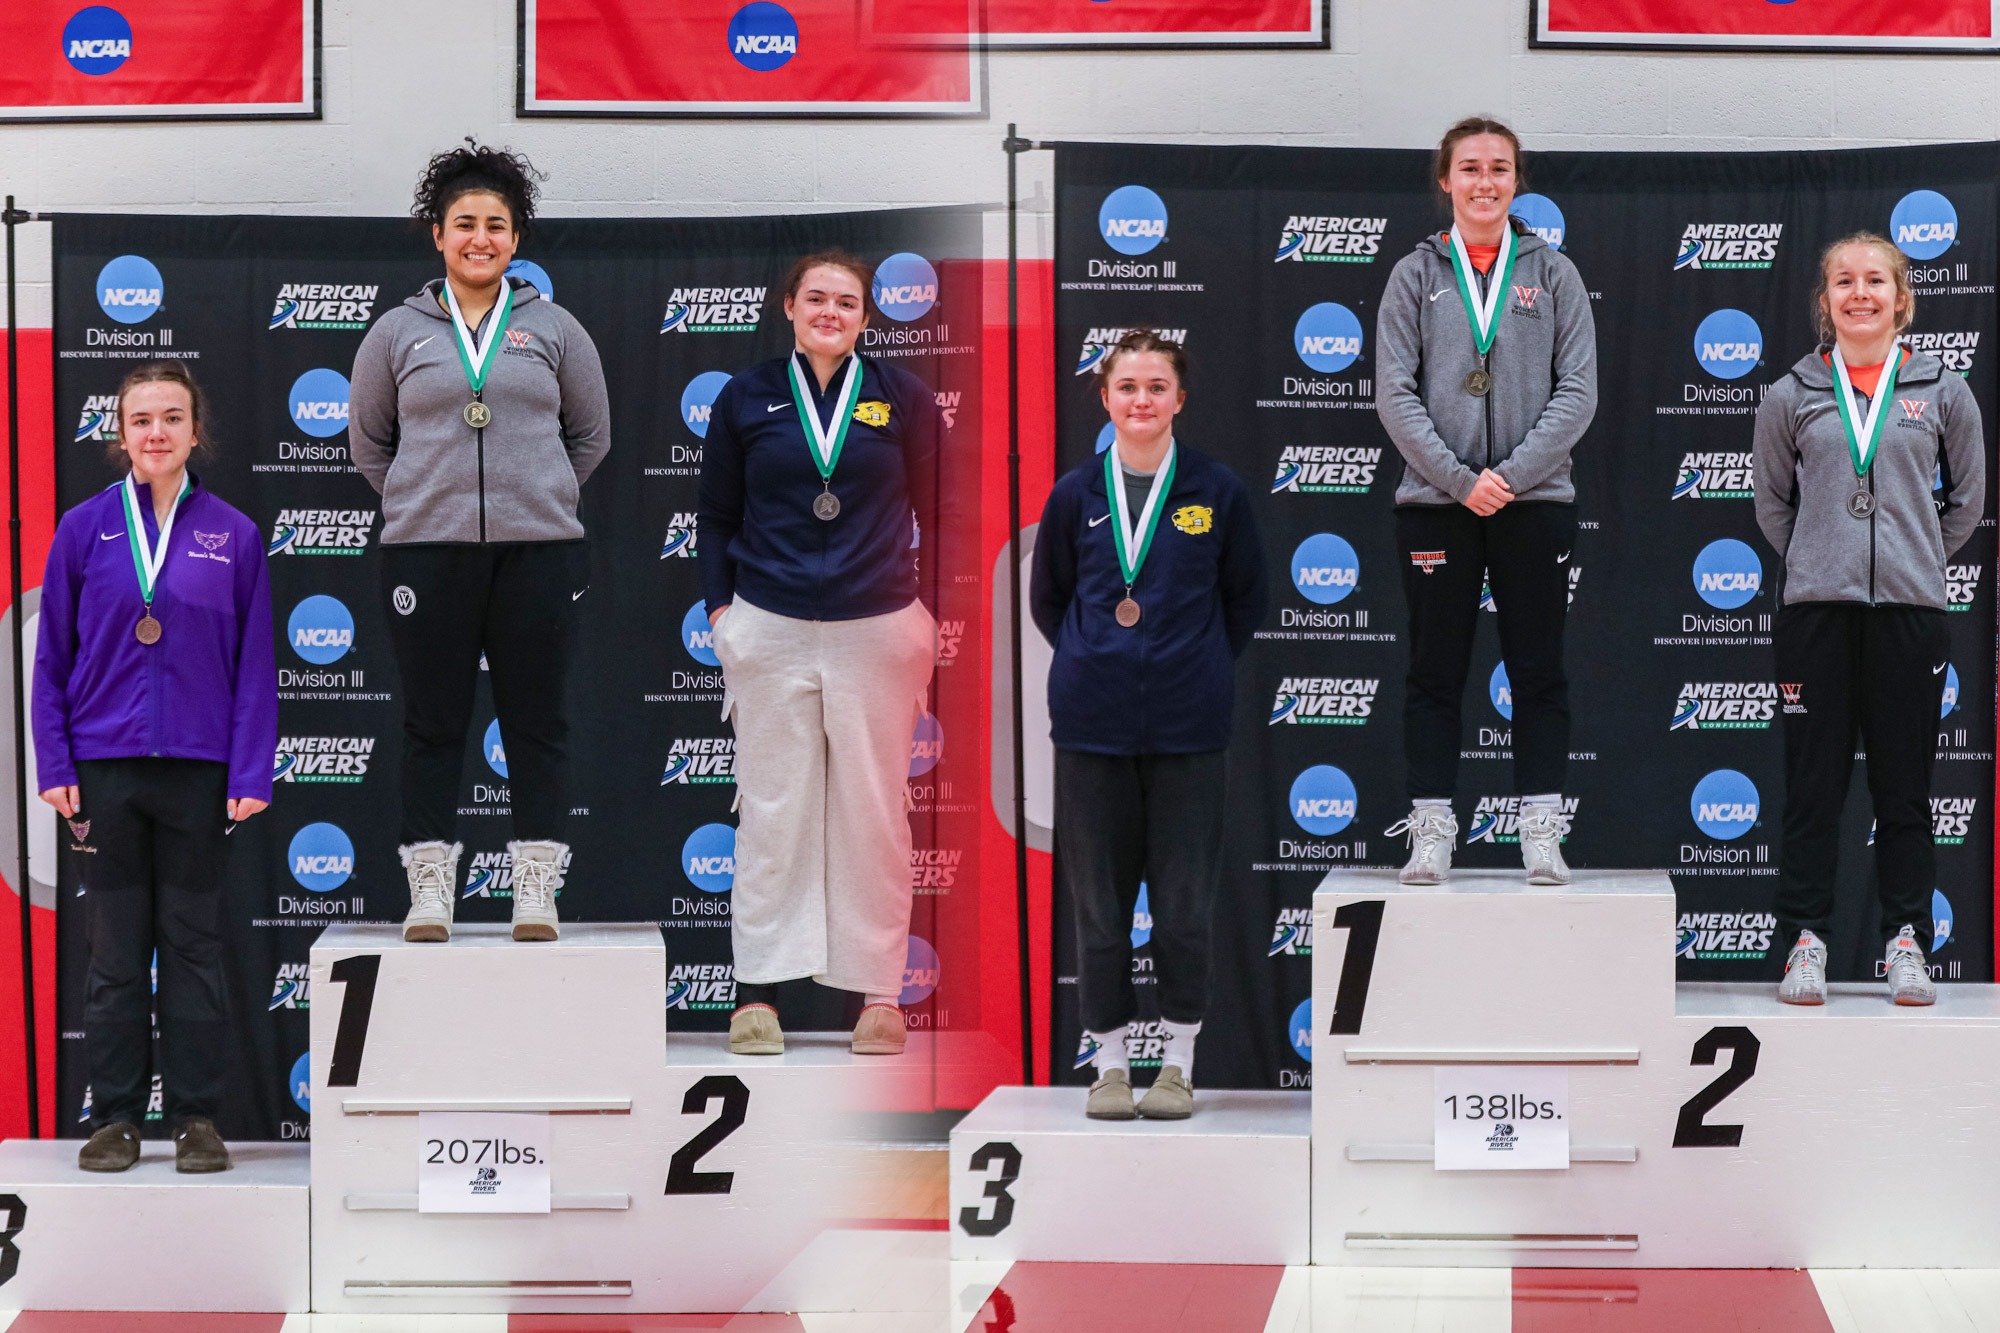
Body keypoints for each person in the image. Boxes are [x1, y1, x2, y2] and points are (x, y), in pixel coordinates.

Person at [349, 141, 611, 944]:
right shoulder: (397, 331)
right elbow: (369, 444)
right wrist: (423, 499)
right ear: (437, 234)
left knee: (536, 721)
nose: (480, 238)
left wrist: (538, 495)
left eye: (497, 224)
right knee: (433, 723)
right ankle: (431, 884)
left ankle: (536, 882)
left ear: (516, 238)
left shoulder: (555, 328)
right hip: (427, 553)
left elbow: (590, 437)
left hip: (539, 551)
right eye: (464, 223)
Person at [697, 250, 943, 1057]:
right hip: (769, 622)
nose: (831, 311)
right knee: (773, 808)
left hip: (876, 627)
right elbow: (716, 518)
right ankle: (757, 992)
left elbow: (940, 514)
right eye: (817, 298)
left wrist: (922, 611)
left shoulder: (902, 397)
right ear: (790, 308)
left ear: (867, 318)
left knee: (874, 809)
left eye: (847, 301)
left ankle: (879, 994)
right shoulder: (748, 397)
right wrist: (722, 611)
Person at [34, 362, 275, 1173]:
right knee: (113, 954)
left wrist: (249, 771)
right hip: (106, 770)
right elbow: (52, 661)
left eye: (173, 417)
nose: (158, 432)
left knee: (195, 948)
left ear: (195, 431)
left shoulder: (235, 535)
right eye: (142, 420)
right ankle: (118, 1117)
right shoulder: (82, 529)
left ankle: (198, 1117)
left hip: (200, 774)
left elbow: (254, 668)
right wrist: (55, 760)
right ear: (122, 436)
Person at [1030, 330, 1267, 1120]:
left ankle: (1177, 1064)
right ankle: (1108, 1065)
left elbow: (1244, 601)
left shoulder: (1217, 490)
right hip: (1091, 731)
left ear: (1179, 400)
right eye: (1127, 386)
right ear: (1105, 399)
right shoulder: (1074, 495)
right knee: (1099, 908)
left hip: (1188, 731)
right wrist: (1098, 660)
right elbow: (1051, 602)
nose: (1141, 399)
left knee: (1183, 905)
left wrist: (1192, 665)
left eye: (1156, 386)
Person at [1753, 233, 1983, 1008]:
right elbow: (1772, 504)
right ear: (1825, 301)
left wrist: (1912, 561)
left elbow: (1966, 505)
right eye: (1844, 282)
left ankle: (1907, 941)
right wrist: (1826, 560)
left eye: (1875, 281)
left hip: (1909, 617)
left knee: (1905, 791)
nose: (1860, 294)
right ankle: (1806, 942)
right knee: (1812, 788)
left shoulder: (1944, 389)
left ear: (1900, 297)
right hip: (1816, 615)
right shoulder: (1792, 392)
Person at [1374, 116, 1598, 887]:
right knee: (1435, 673)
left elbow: (1579, 392)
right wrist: (1460, 480)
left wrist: (1511, 474)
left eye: (1499, 168)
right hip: (1436, 504)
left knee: (1538, 671)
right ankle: (1432, 825)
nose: (1484, 182)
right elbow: (1394, 394)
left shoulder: (1555, 273)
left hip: (1534, 503)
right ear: (1446, 180)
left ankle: (1540, 826)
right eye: (1469, 168)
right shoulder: (1414, 276)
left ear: (1517, 180)